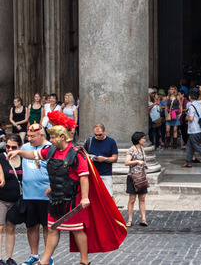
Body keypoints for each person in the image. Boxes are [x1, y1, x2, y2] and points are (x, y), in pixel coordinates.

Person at [7, 111, 127, 265]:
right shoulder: (52, 150)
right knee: (52, 229)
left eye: (52, 137)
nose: (49, 140)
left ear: (61, 137)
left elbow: (84, 176)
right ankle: (44, 261)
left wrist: (85, 197)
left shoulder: (77, 154)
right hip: (56, 199)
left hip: (73, 199)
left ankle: (84, 261)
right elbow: (35, 154)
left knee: (77, 230)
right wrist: (18, 152)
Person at [20, 124, 53, 265]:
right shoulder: (25, 147)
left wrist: (52, 185)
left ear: (42, 135)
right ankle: (34, 255)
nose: (29, 139)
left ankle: (48, 257)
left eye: (33, 136)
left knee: (47, 226)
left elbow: (56, 169)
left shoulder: (50, 148)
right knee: (31, 226)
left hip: (45, 194)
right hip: (29, 194)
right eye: (28, 136)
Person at [0, 135, 23, 265]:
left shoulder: (23, 158)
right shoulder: (2, 157)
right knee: (0, 228)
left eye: (13, 147)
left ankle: (9, 257)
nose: (10, 149)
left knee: (11, 229)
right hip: (1, 198)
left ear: (19, 147)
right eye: (7, 146)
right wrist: (1, 176)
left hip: (16, 200)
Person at [83, 123, 118, 197]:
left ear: (104, 131)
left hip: (106, 173)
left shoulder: (111, 142)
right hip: (92, 172)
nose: (97, 137)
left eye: (100, 135)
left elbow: (115, 158)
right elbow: (83, 155)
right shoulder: (89, 141)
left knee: (109, 195)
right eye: (95, 135)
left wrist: (104, 159)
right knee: (93, 196)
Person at [183, 88, 201, 169]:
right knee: (189, 146)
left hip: (194, 129)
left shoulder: (192, 106)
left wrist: (186, 117)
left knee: (197, 146)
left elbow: (191, 118)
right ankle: (188, 162)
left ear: (189, 97)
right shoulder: (199, 103)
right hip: (199, 129)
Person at [125, 132, 148, 227]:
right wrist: (137, 161)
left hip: (141, 176)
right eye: (143, 138)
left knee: (142, 198)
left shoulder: (142, 148)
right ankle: (129, 219)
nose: (144, 140)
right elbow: (126, 162)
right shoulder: (132, 149)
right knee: (132, 199)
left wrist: (144, 165)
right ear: (138, 139)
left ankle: (143, 219)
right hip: (133, 177)